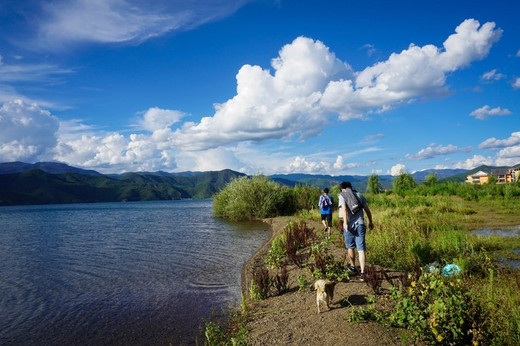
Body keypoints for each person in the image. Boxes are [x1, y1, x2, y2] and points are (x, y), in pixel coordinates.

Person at [338, 181, 373, 281]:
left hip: (349, 225)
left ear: (342, 188)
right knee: (361, 249)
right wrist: (370, 222)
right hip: (361, 224)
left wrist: (345, 223)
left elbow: (344, 209)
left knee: (350, 246)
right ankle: (362, 273)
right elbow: (367, 210)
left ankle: (353, 267)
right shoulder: (358, 194)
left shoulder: (342, 195)